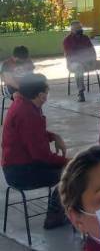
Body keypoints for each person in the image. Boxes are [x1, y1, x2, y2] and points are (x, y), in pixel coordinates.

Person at [1, 74, 68, 229]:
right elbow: (41, 156)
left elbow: (31, 134)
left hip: (18, 166)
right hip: (22, 172)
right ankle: (54, 217)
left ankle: (58, 211)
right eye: (47, 91)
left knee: (70, 168)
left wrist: (53, 136)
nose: (47, 96)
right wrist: (69, 161)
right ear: (41, 95)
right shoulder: (27, 113)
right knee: (75, 173)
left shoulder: (23, 104)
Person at [63, 21, 100, 102]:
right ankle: (81, 93)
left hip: (89, 62)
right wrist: (84, 61)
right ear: (72, 30)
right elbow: (71, 56)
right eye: (77, 28)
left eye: (80, 28)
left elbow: (92, 51)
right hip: (73, 64)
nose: (80, 29)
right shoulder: (67, 40)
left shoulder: (85, 38)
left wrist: (93, 60)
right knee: (78, 67)